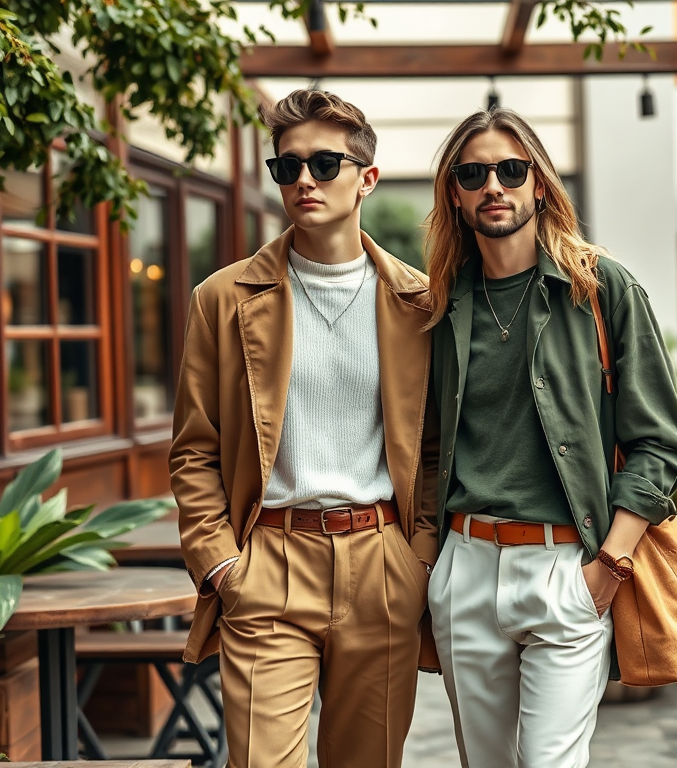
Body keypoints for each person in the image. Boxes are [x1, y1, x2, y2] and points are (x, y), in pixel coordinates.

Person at [170, 89, 439, 768]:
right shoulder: (223, 300)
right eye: (286, 168)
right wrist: (222, 562)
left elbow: (435, 448)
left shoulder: (420, 303)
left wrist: (421, 557)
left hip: (381, 561)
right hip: (268, 563)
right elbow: (194, 448)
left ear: (366, 179)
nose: (304, 182)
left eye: (324, 164)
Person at [423, 107, 677, 768]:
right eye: (474, 173)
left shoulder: (601, 289)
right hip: (466, 565)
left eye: (512, 170)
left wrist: (610, 567)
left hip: (568, 566)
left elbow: (660, 444)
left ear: (538, 184)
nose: (495, 186)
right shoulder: (438, 306)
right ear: (454, 193)